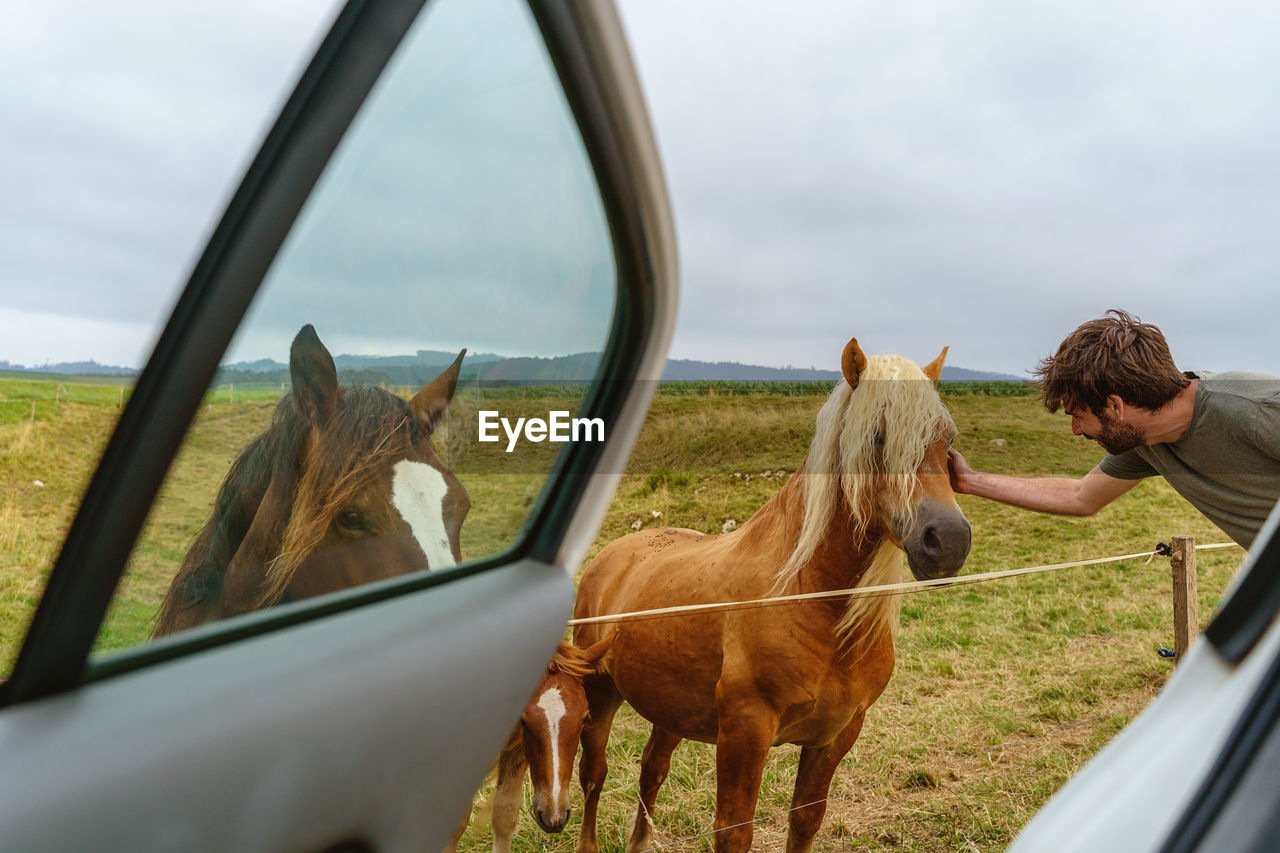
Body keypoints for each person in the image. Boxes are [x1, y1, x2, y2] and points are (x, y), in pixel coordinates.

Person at [947, 309, 1280, 549]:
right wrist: (970, 480)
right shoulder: (1145, 441)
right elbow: (1081, 497)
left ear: (1115, 407)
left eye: (1077, 415)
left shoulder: (1255, 408)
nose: (1076, 430)